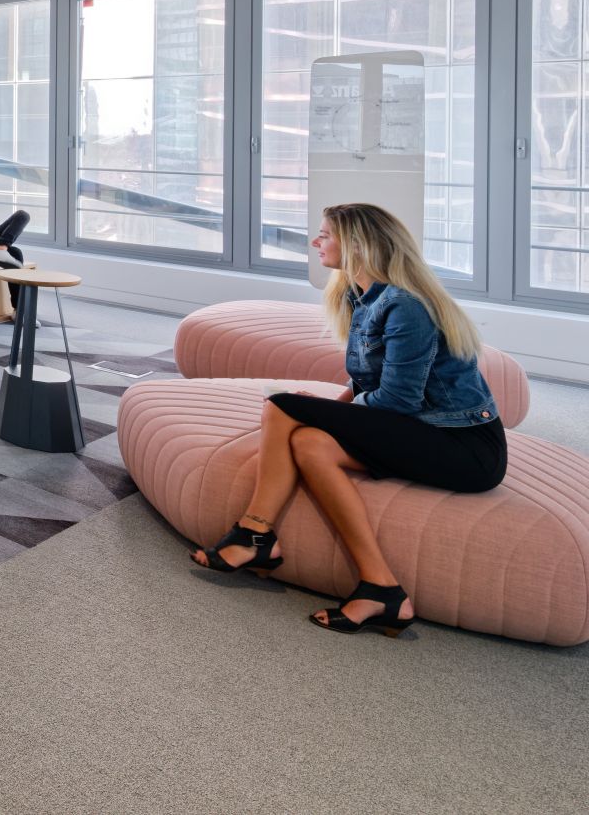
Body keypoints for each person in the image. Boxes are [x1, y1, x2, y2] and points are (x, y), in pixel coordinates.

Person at [190, 202, 507, 637]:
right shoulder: (362, 296)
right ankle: (382, 589)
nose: (315, 242)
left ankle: (254, 534)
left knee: (281, 405)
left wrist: (326, 413)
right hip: (422, 431)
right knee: (308, 442)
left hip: (464, 447)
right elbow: (366, 381)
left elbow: (397, 400)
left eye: (325, 235)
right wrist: (332, 410)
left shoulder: (407, 307)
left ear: (358, 245)